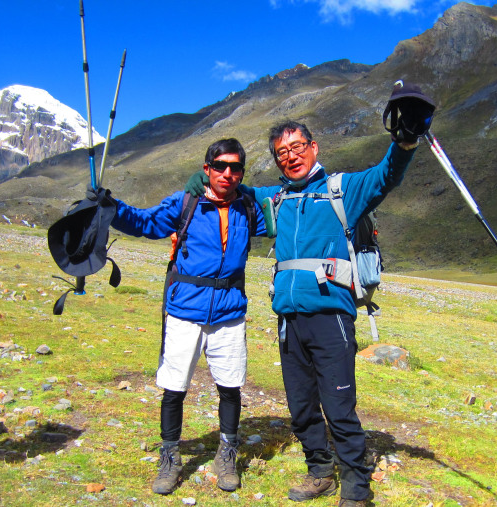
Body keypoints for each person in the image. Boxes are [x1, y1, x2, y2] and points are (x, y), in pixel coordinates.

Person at [185, 82, 435, 506]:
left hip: (331, 317)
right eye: (282, 153)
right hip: (289, 321)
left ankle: (356, 485)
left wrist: (406, 138)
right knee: (301, 408)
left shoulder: (344, 190)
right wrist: (205, 172)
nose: (291, 156)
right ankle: (320, 472)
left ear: (313, 148)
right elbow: (224, 187)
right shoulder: (274, 200)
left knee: (338, 407)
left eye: (298, 146)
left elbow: (387, 174)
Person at [98, 138, 266, 495]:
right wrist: (110, 207)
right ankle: (170, 457)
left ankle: (227, 452)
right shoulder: (185, 203)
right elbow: (145, 223)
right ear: (207, 169)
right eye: (220, 166)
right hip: (184, 312)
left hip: (230, 313)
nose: (228, 173)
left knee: (231, 387)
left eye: (236, 168)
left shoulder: (249, 207)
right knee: (174, 390)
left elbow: (286, 212)